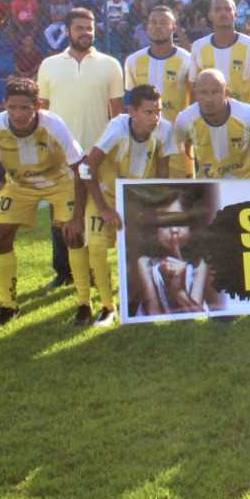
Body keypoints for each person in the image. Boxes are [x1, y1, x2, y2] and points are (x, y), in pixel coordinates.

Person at [0, 77, 86, 328]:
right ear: (4, 104)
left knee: (72, 235)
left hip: (60, 182)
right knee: (1, 235)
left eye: (24, 107)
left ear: (37, 105)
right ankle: (8, 306)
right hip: (19, 186)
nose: (17, 114)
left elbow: (79, 168)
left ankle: (83, 304)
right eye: (12, 107)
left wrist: (78, 215)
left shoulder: (53, 124)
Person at [37, 7, 124, 292]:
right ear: (68, 31)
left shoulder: (110, 65)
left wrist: (109, 150)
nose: (85, 33)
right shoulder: (49, 65)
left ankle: (100, 271)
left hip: (97, 154)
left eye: (90, 27)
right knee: (61, 216)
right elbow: (43, 112)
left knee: (97, 213)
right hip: (61, 155)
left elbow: (118, 114)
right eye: (79, 28)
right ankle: (64, 272)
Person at [81, 84, 178, 327]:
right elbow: (87, 167)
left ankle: (136, 302)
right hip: (105, 196)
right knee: (96, 247)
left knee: (139, 251)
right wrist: (103, 208)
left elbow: (163, 169)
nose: (155, 117)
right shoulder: (117, 128)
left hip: (137, 198)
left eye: (158, 111)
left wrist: (158, 205)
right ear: (131, 111)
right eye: (148, 112)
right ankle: (107, 307)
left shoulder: (165, 130)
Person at [123, 5, 194, 176]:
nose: (157, 27)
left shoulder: (187, 60)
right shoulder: (133, 60)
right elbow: (130, 105)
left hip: (178, 142)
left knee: (182, 197)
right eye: (153, 22)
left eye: (163, 23)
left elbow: (194, 103)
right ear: (147, 27)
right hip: (143, 142)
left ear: (173, 27)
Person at [174, 69, 250, 180]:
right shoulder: (184, 120)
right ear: (195, 92)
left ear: (226, 91)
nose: (209, 99)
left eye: (215, 92)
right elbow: (180, 148)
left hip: (249, 184)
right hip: (211, 187)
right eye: (203, 92)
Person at [188, 0, 250, 109]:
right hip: (210, 118)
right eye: (217, 9)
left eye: (227, 9)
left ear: (235, 15)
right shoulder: (198, 47)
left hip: (244, 117)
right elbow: (193, 87)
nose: (223, 13)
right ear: (210, 16)